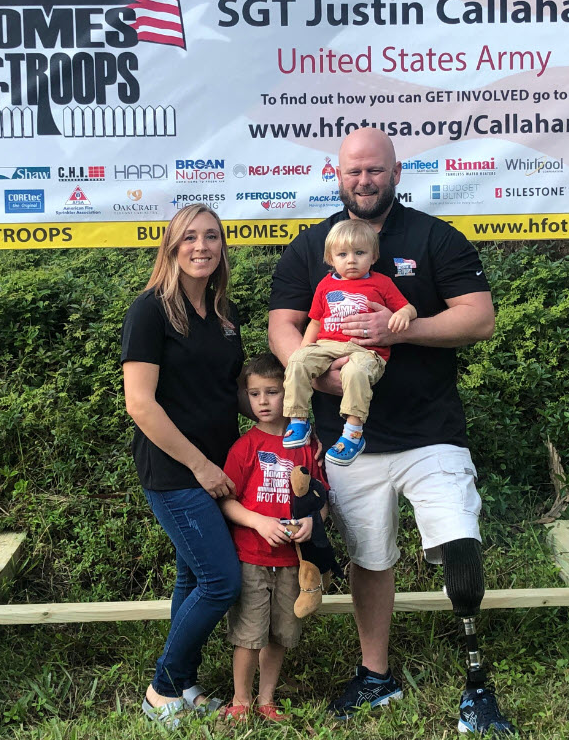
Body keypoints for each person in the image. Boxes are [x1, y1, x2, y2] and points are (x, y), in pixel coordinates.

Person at [268, 127, 518, 734]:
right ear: (338, 175)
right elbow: (283, 323)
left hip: (431, 432)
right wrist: (323, 378)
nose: (364, 181)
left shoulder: (434, 237)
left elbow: (479, 317)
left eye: (375, 170)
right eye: (353, 171)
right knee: (371, 559)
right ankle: (375, 675)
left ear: (396, 172)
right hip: (349, 437)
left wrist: (398, 329)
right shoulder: (313, 246)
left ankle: (476, 684)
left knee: (459, 545)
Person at [121, 203, 244, 728]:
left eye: (211, 237)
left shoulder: (223, 315)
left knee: (192, 575)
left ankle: (185, 685)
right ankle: (161, 689)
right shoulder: (149, 311)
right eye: (189, 237)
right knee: (221, 581)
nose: (201, 246)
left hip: (218, 461)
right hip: (176, 470)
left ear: (222, 248)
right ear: (170, 247)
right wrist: (200, 467)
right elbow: (140, 404)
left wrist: (292, 405)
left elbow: (228, 393)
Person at [219, 354, 328, 722]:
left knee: (281, 633)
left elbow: (319, 495)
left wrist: (314, 519)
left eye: (272, 392)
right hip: (252, 557)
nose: (263, 401)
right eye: (254, 394)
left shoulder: (305, 444)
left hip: (292, 563)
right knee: (249, 634)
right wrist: (259, 522)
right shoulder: (245, 447)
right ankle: (240, 700)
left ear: (290, 393)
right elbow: (227, 502)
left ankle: (267, 700)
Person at [282, 218, 416, 465]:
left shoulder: (381, 282)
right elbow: (315, 321)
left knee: (355, 372)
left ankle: (353, 434)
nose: (351, 260)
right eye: (342, 254)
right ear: (331, 259)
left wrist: (402, 315)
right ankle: (298, 420)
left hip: (366, 350)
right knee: (297, 360)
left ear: (373, 256)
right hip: (327, 346)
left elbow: (407, 307)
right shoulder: (325, 284)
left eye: (360, 253)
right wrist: (304, 351)